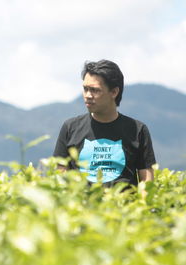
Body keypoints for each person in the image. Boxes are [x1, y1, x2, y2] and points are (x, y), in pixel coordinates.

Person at [53, 59, 156, 187]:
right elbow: (60, 176)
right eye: (85, 89)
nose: (88, 95)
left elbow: (147, 180)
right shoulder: (70, 128)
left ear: (114, 92)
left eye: (95, 90)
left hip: (124, 205)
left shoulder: (138, 130)